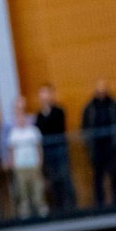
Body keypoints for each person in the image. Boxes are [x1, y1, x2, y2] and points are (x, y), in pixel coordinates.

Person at [36, 84, 75, 213]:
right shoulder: (39, 116)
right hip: (47, 151)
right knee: (53, 180)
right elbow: (40, 131)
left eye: (45, 93)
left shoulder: (59, 111)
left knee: (64, 177)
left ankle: (71, 206)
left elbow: (56, 126)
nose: (43, 97)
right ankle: (59, 208)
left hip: (59, 149)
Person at [83, 81, 116, 207]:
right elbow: (85, 127)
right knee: (98, 176)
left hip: (111, 145)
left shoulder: (113, 104)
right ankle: (99, 202)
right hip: (97, 147)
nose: (101, 93)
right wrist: (89, 144)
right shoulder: (90, 107)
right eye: (99, 91)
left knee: (115, 173)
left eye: (103, 90)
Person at [7, 99, 47, 219]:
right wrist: (13, 164)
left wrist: (40, 160)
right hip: (20, 166)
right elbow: (12, 150)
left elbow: (38, 147)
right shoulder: (13, 133)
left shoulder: (33, 131)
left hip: (33, 164)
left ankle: (41, 210)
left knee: (37, 188)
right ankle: (25, 212)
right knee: (22, 191)